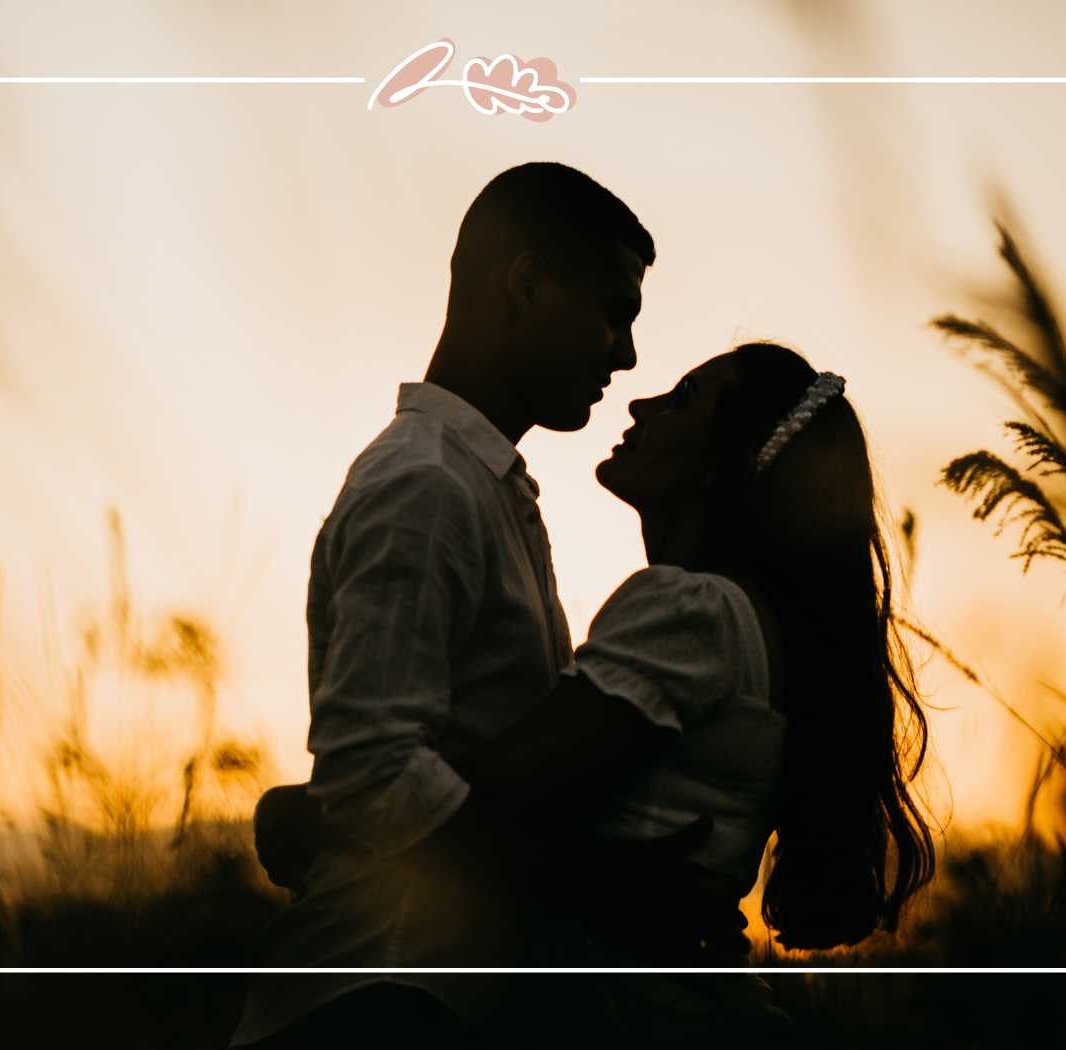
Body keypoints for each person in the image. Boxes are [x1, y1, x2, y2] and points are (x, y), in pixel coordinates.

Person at [255, 342, 937, 1046]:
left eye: (681, 400)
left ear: (716, 462)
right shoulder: (752, 624)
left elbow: (499, 799)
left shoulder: (692, 612)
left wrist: (312, 814)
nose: (640, 402)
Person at [229, 161, 655, 1048]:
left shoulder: (479, 486)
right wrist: (567, 884)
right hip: (371, 1004)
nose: (625, 354)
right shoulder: (424, 487)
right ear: (528, 284)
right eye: (614, 312)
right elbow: (374, 766)